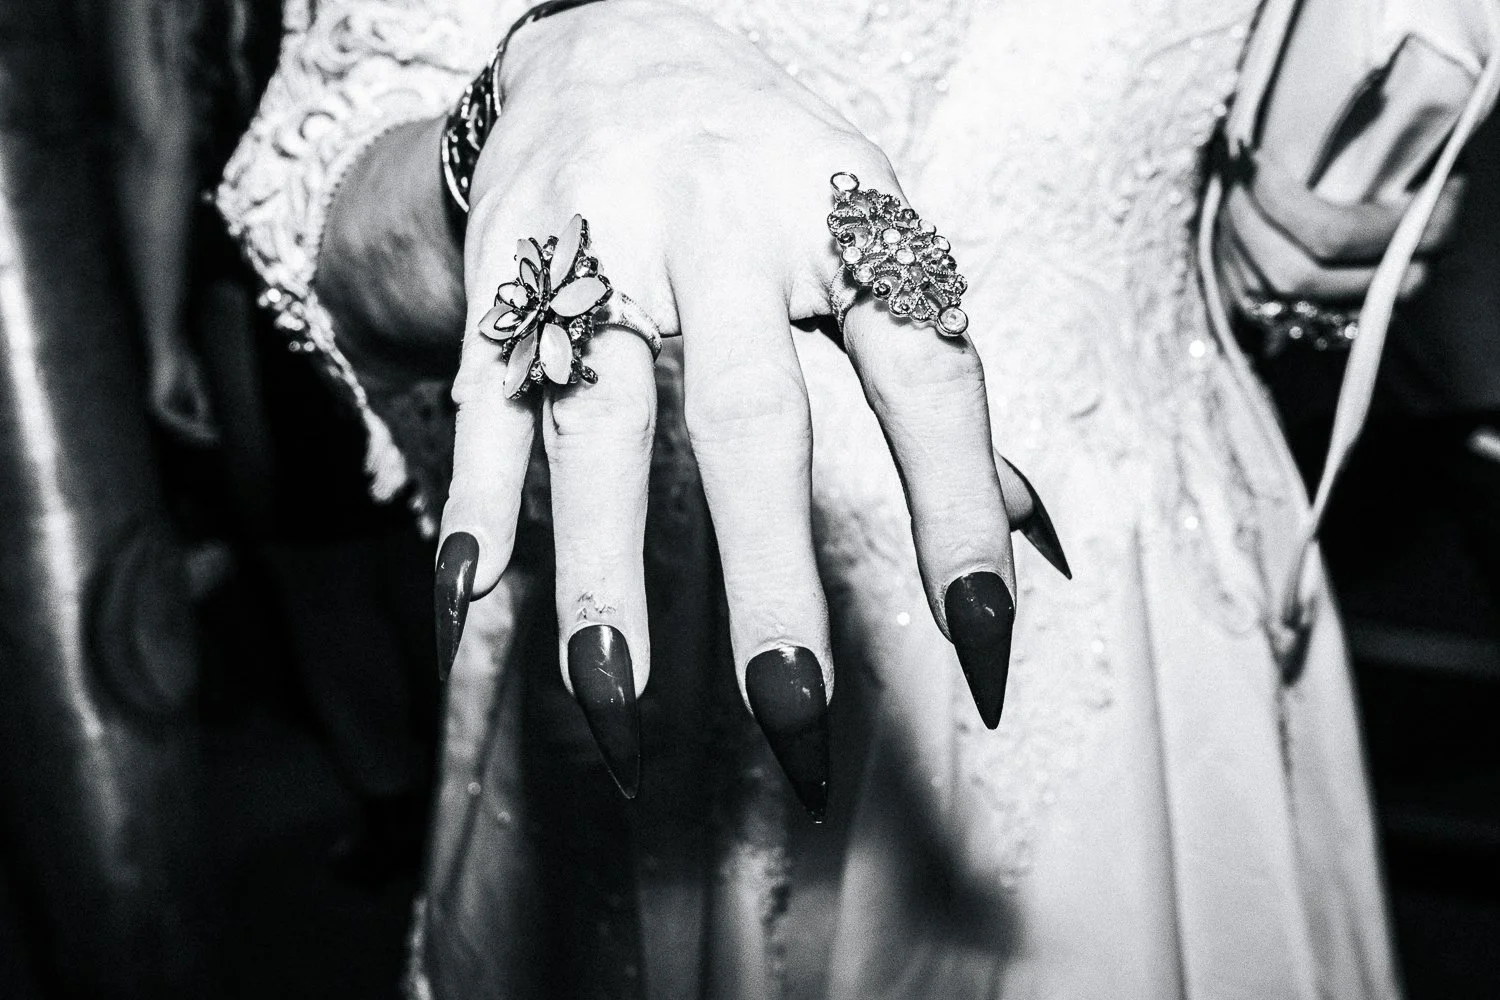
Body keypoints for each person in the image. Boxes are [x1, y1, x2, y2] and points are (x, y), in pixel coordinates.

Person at [218, 0, 1400, 996]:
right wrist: (517, 120)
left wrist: (1337, 234)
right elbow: (320, 202)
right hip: (685, 598)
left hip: (1168, 581)